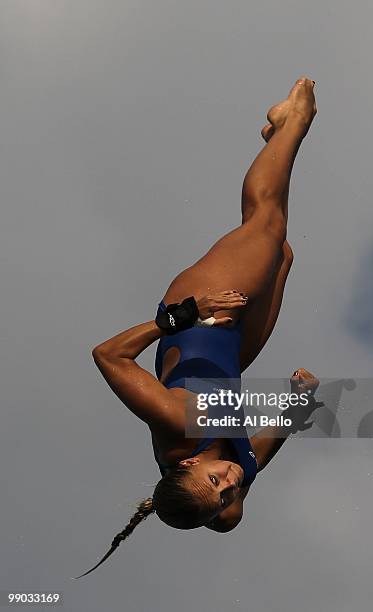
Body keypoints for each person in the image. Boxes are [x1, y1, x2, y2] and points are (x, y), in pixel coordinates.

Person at [75, 76, 319, 578]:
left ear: (186, 465)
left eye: (217, 483)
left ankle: (292, 121)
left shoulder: (172, 422)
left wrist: (184, 312)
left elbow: (108, 355)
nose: (230, 483)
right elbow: (254, 454)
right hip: (233, 354)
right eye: (226, 494)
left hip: (202, 316)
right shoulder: (226, 510)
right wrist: (294, 409)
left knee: (266, 227)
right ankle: (276, 141)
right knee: (282, 254)